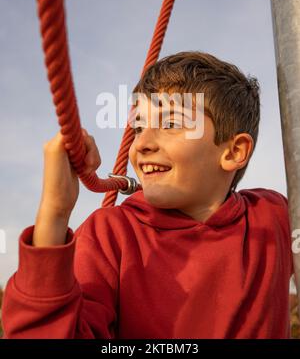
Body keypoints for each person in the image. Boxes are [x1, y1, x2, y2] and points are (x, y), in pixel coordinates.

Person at [2, 51, 293, 338]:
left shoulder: (274, 215)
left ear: (233, 151)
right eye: (139, 127)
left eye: (170, 124)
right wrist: (55, 212)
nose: (142, 143)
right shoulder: (110, 234)